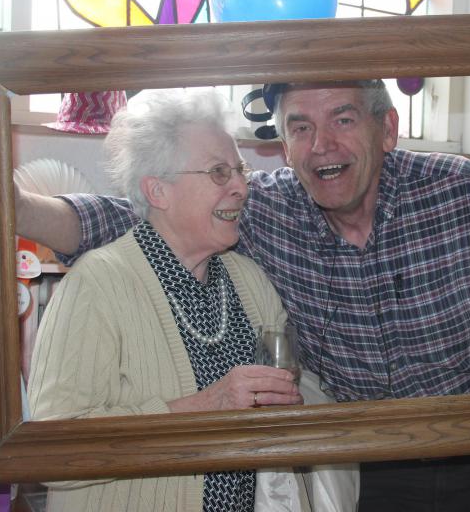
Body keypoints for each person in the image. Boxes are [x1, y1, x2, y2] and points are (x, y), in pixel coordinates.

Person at [0, 80, 470, 512]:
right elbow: (134, 220)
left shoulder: (462, 191)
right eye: (300, 128)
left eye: (343, 119)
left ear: (387, 127)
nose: (322, 147)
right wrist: (10, 212)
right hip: (365, 471)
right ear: (282, 144)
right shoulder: (265, 209)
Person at [24, 87, 356, 512]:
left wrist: (292, 396)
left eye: (240, 170)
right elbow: (51, 454)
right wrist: (205, 406)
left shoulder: (250, 281)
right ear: (158, 191)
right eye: (219, 173)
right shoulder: (95, 286)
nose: (240, 187)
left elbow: (288, 392)